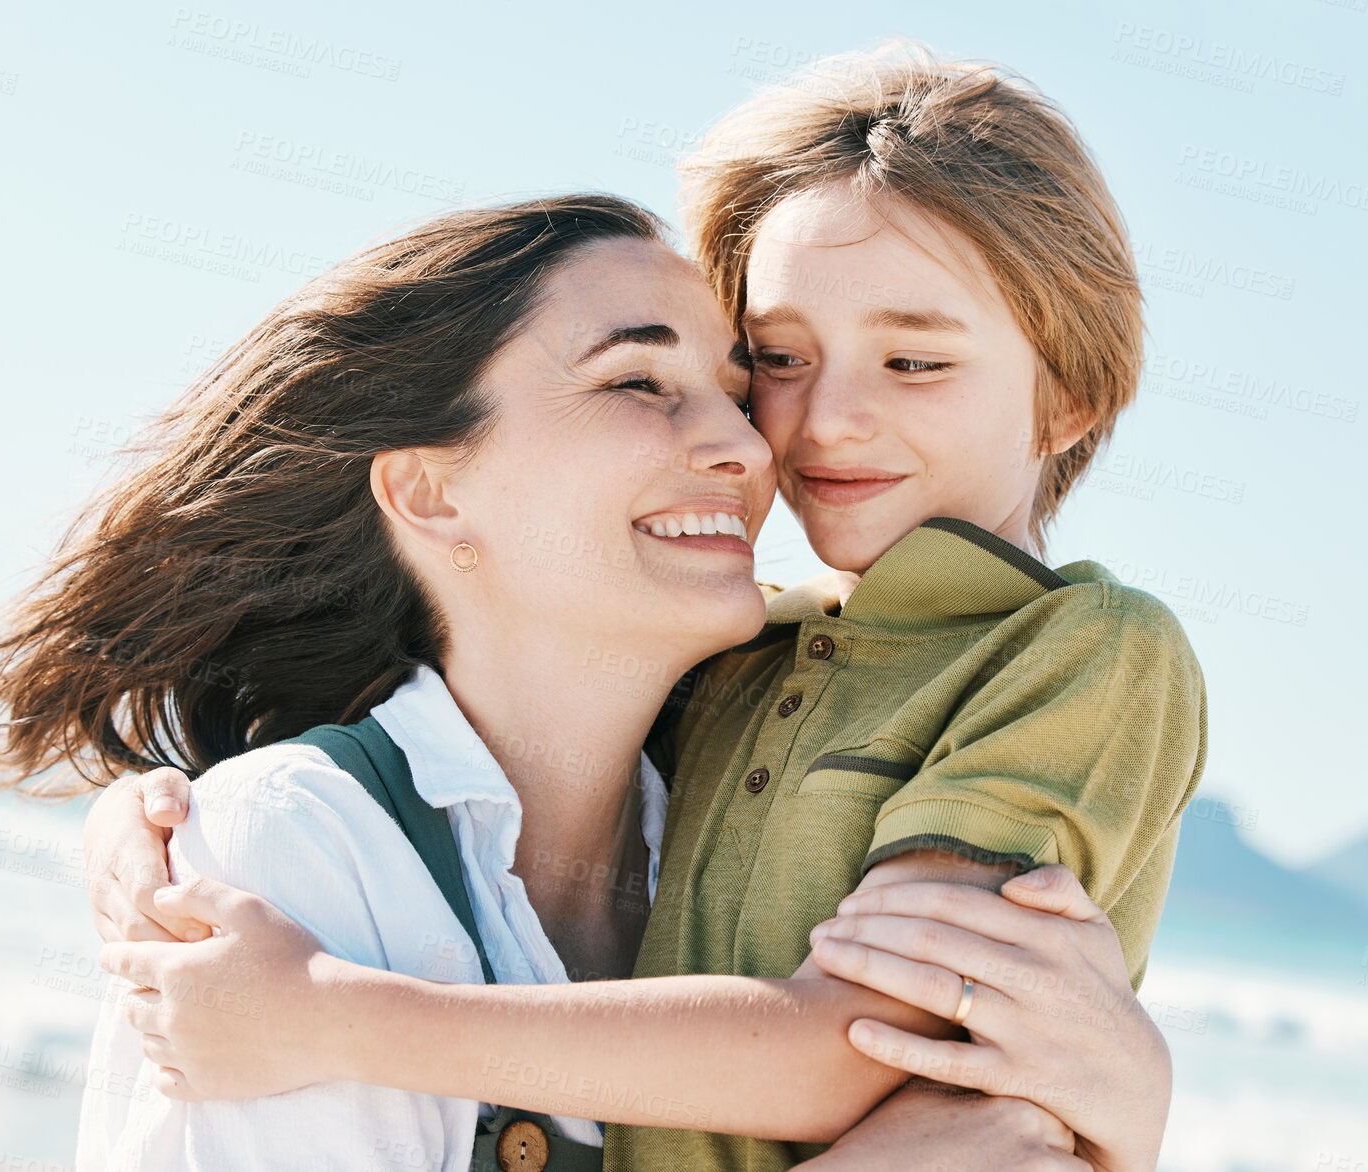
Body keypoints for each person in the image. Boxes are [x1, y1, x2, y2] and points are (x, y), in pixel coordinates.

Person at [85, 41, 1204, 1172]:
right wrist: (165, 821)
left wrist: (330, 1010)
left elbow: (841, 1043)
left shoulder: (1074, 648)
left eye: (913, 361)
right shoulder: (740, 659)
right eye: (772, 358)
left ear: (1068, 399)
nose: (817, 423)